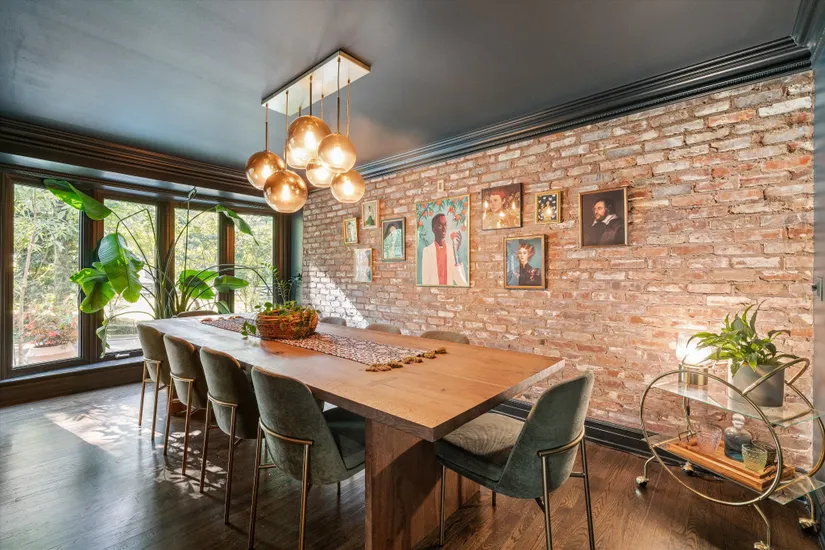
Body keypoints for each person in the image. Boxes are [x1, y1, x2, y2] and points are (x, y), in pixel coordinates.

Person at [420, 213, 468, 286]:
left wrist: (456, 252)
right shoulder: (427, 251)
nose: (444, 228)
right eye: (440, 225)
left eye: (445, 225)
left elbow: (461, 282)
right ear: (433, 229)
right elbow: (425, 281)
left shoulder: (451, 250)